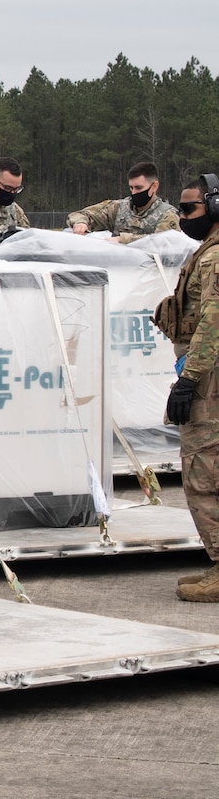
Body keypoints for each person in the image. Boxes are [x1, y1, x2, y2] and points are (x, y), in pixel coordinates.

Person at [159, 175, 219, 601]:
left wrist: (189, 380)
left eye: (190, 209)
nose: (182, 217)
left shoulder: (215, 258)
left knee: (202, 473)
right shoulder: (208, 251)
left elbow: (213, 324)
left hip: (209, 380)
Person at [68, 161, 180, 241]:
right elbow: (82, 214)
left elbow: (164, 242)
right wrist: (81, 223)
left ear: (154, 186)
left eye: (139, 188)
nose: (134, 192)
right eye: (131, 188)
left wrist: (123, 240)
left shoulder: (167, 215)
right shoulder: (119, 208)